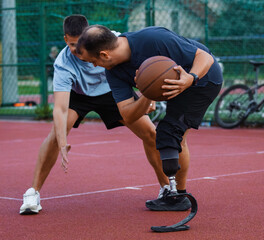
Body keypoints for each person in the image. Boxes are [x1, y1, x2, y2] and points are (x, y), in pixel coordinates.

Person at [20, 15, 188, 215]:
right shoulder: (64, 63)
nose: (78, 50)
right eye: (73, 45)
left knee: (151, 133)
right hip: (79, 95)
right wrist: (62, 140)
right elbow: (60, 109)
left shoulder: (112, 41)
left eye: (81, 43)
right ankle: (33, 193)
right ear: (65, 39)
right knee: (57, 134)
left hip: (112, 92)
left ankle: (167, 189)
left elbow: (143, 68)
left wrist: (149, 96)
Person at [76, 25, 223, 209]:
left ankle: (178, 197)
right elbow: (128, 115)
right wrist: (147, 94)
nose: (94, 66)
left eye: (93, 62)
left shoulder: (154, 40)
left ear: (104, 54)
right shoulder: (113, 72)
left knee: (170, 133)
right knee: (170, 136)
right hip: (175, 84)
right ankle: (173, 193)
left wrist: (190, 78)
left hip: (202, 78)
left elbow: (204, 57)